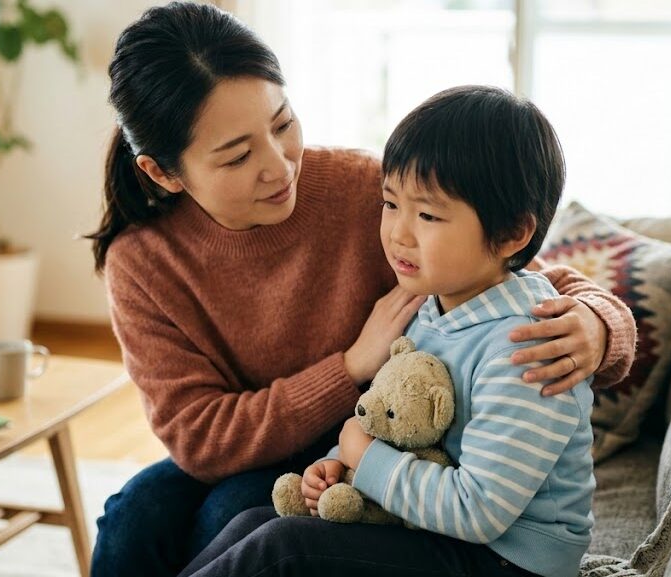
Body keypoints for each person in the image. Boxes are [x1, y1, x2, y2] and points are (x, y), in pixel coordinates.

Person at [86, 4, 635, 577]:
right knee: (133, 516)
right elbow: (201, 439)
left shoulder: (366, 190)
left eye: (282, 124)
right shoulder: (143, 262)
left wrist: (597, 324)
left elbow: (513, 270)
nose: (280, 167)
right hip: (288, 440)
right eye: (239, 155)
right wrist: (349, 365)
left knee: (241, 517)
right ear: (162, 172)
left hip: (381, 434)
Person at [179, 85, 592, 577]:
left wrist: (364, 457)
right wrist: (339, 467)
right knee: (252, 521)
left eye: (429, 215)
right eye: (391, 204)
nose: (398, 232)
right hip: (434, 534)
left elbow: (477, 511)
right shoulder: (430, 310)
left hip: (507, 560)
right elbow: (390, 423)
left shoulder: (528, 347)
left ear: (511, 235)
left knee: (285, 549)